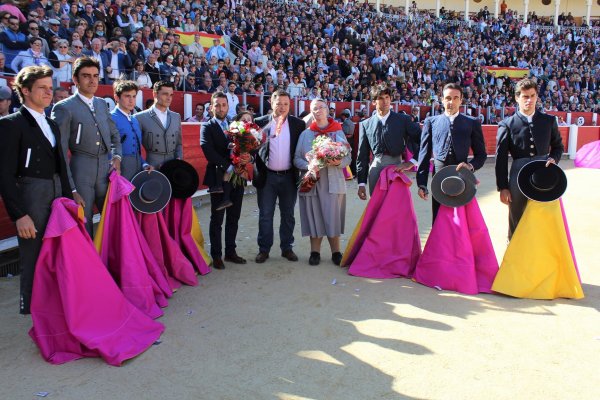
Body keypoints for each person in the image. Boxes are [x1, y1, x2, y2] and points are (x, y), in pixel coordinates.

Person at [0, 66, 75, 314]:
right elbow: (4, 175)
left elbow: (61, 165)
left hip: (56, 194)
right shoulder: (11, 124)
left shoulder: (51, 124)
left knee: (59, 251)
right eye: (42, 88)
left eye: (49, 87)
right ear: (25, 90)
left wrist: (69, 201)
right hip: (31, 196)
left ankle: (57, 305)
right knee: (33, 255)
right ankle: (32, 309)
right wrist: (19, 215)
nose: (48, 92)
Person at [51, 56, 122, 237]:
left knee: (113, 218)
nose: (92, 80)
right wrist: (72, 188)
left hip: (105, 169)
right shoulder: (64, 107)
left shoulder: (101, 104)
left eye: (95, 76)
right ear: (75, 79)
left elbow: (114, 134)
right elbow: (60, 151)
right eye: (86, 76)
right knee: (84, 220)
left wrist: (117, 156)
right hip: (81, 169)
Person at [495, 78, 564, 239]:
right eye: (525, 96)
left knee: (544, 214)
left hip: (543, 173)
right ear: (517, 98)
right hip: (518, 174)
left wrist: (553, 159)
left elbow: (558, 147)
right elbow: (501, 159)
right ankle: (514, 248)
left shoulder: (548, 121)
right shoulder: (507, 124)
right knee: (517, 215)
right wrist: (503, 187)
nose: (529, 100)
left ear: (537, 96)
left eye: (532, 96)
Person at [416, 83, 487, 222]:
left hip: (462, 176)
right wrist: (422, 184)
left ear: (461, 100)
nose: (451, 102)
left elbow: (481, 154)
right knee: (439, 219)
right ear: (442, 99)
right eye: (448, 98)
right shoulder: (431, 122)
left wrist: (470, 166)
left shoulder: (472, 122)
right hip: (439, 177)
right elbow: (424, 155)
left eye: (455, 98)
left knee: (461, 220)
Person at [293, 99, 351, 266]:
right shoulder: (305, 134)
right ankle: (315, 252)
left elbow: (348, 158)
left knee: (333, 216)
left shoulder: (338, 132)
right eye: (314, 109)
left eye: (321, 107)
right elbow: (296, 159)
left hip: (333, 181)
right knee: (314, 215)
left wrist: (337, 162)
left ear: (327, 110)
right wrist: (308, 165)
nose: (318, 111)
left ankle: (336, 252)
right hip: (312, 181)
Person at [253, 89, 306, 263]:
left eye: (286, 104)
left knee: (288, 215)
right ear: (271, 102)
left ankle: (287, 248)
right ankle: (264, 249)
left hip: (289, 176)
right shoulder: (259, 122)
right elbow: (253, 149)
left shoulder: (298, 124)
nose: (282, 107)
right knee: (265, 215)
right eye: (279, 103)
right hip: (266, 177)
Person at [200, 91, 247, 270]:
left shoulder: (235, 125)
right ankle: (217, 255)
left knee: (234, 216)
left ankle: (230, 252)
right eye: (217, 105)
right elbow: (208, 151)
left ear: (228, 106)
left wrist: (242, 161)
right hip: (218, 177)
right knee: (217, 218)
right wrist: (229, 167)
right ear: (211, 108)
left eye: (223, 105)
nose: (220, 108)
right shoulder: (207, 126)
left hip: (237, 178)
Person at [356, 85, 421, 197]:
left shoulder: (403, 120)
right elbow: (362, 155)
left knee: (395, 205)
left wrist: (412, 162)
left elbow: (423, 141)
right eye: (381, 98)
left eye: (387, 97)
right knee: (377, 205)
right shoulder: (366, 124)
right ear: (373, 102)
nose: (385, 101)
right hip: (376, 168)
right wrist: (361, 183)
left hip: (397, 168)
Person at [111, 80, 152, 181]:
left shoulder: (134, 120)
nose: (131, 100)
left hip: (137, 169)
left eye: (134, 96)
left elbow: (136, 151)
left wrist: (144, 164)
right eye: (127, 96)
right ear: (117, 97)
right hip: (119, 170)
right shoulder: (110, 118)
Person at [134, 80, 182, 168]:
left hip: (173, 167)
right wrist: (145, 165)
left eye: (171, 95)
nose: (169, 98)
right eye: (165, 94)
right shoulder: (139, 117)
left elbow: (178, 144)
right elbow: (134, 148)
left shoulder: (176, 116)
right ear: (155, 94)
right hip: (151, 167)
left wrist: (179, 159)